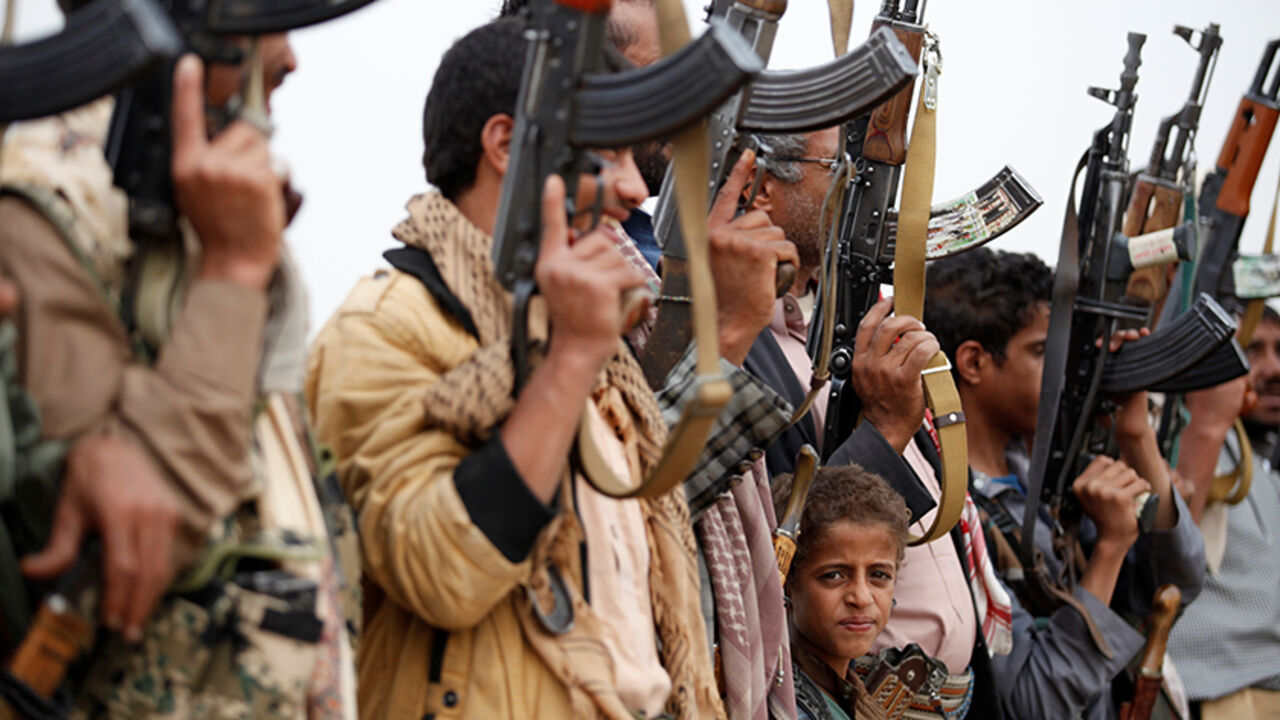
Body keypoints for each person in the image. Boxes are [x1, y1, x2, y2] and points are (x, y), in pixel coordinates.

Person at [0, 22, 360, 717]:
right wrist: (231, 274)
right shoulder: (49, 201)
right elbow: (117, 565)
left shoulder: (203, 203)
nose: (287, 54)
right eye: (262, 17)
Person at [745, 131, 1003, 718]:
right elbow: (779, 543)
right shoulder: (741, 341)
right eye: (835, 164)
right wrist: (884, 429)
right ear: (762, 186)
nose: (856, 179)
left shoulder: (847, 314)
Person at [926, 247, 1205, 720]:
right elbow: (1035, 703)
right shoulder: (949, 506)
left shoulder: (1048, 475)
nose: (1062, 372)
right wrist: (1112, 547)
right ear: (973, 363)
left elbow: (1178, 583)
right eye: (1042, 352)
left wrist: (1135, 435)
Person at [1168, 305, 1280, 720]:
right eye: (1252, 351)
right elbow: (1169, 556)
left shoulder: (1262, 461)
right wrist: (1208, 424)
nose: (1272, 368)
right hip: (1217, 695)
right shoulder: (1184, 434)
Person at [773, 465, 910, 720]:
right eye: (833, 575)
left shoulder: (845, 688)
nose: (861, 598)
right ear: (787, 582)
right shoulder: (784, 706)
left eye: (879, 575)